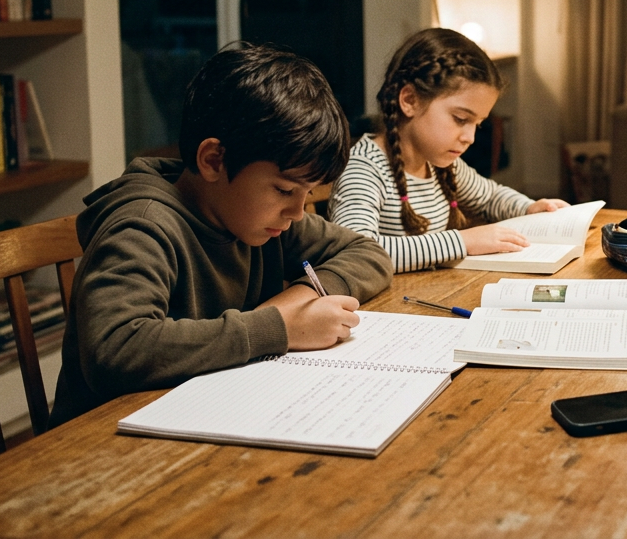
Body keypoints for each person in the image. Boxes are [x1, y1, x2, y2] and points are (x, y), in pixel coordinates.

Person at [50, 44, 393, 426]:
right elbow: (114, 349)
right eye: (283, 190)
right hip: (103, 442)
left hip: (211, 412)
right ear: (213, 160)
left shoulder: (258, 218)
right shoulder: (141, 227)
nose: (298, 212)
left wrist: (298, 300)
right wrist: (279, 328)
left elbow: (368, 253)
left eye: (307, 193)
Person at [329, 28, 568, 273]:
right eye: (461, 118)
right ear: (410, 100)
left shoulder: (440, 164)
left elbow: (490, 197)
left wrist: (530, 208)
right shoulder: (364, 170)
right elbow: (357, 252)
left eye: (478, 124)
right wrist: (464, 241)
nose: (470, 138)